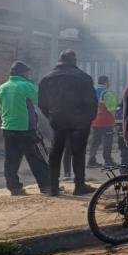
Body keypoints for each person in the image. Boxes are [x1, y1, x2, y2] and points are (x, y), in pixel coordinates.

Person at [38, 49, 97, 196]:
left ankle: (53, 187)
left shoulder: (46, 79)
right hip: (79, 121)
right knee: (78, 153)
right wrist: (87, 119)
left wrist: (51, 116)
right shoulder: (84, 78)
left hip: (57, 120)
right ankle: (79, 186)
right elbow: (91, 102)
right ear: (74, 61)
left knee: (56, 151)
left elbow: (42, 103)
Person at [0, 61, 50, 196]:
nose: (29, 75)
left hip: (8, 128)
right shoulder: (27, 86)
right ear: (23, 73)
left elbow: (0, 109)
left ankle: (14, 187)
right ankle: (47, 186)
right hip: (26, 128)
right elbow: (42, 102)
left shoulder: (2, 88)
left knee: (11, 160)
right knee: (36, 158)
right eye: (27, 72)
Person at [88, 75, 118, 168]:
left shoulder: (93, 92)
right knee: (107, 142)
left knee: (95, 142)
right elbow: (112, 109)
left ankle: (91, 161)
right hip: (106, 122)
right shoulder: (107, 93)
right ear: (106, 82)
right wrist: (115, 120)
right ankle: (108, 161)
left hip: (95, 121)